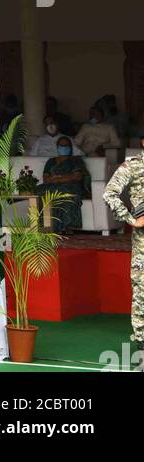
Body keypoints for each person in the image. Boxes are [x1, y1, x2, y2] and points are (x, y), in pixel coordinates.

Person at [103, 136, 144, 361]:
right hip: (143, 244)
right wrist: (131, 219)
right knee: (142, 294)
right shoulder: (133, 166)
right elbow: (109, 193)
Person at [38, 137, 90, 232]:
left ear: (70, 147)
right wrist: (58, 179)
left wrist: (58, 179)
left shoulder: (76, 161)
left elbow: (77, 177)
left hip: (71, 186)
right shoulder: (51, 161)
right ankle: (43, 225)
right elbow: (46, 178)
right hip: (52, 185)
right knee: (39, 191)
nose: (64, 148)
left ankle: (57, 227)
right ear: (57, 147)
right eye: (61, 146)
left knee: (60, 193)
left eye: (66, 146)